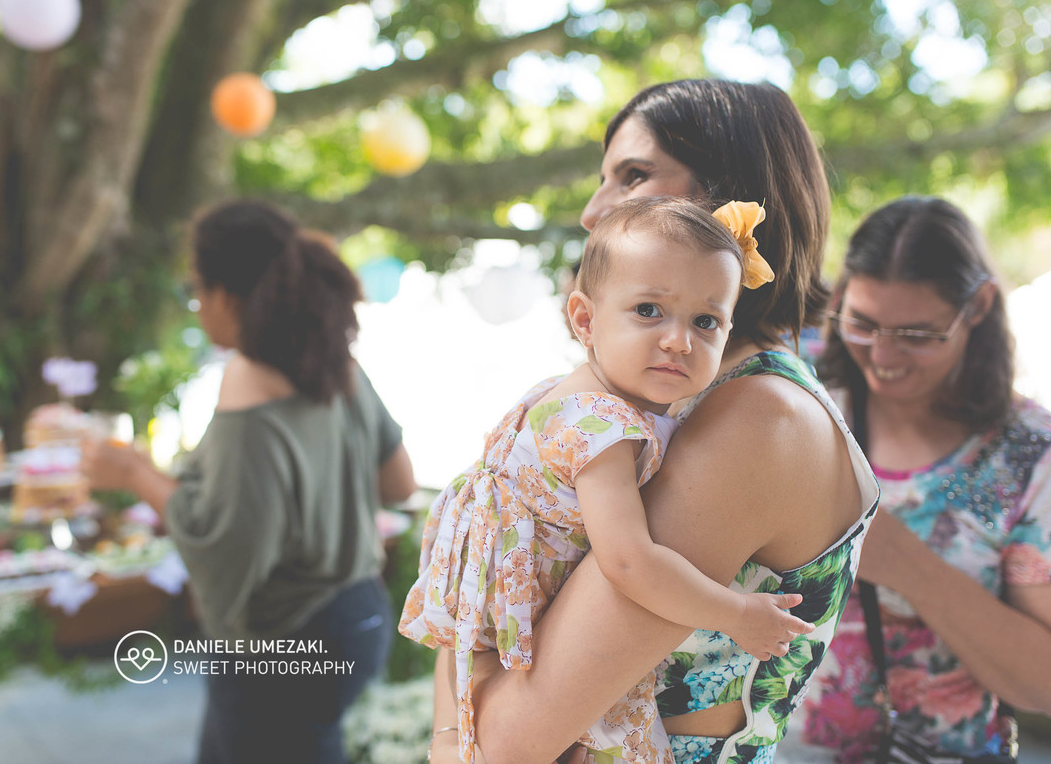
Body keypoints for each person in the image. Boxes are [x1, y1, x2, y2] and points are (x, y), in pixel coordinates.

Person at [425, 79, 879, 764]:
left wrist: (451, 733)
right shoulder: (662, 402)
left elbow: (509, 742)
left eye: (633, 176)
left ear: (728, 201)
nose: (592, 212)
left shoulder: (757, 418)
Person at [401, 197, 816, 764]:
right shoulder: (603, 428)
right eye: (649, 310)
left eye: (706, 321)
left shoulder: (571, 392)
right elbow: (629, 563)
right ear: (584, 320)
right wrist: (736, 614)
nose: (679, 340)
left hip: (497, 620)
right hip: (523, 626)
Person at [80, 199, 417, 764]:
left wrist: (135, 475)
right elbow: (398, 483)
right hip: (360, 613)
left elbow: (226, 543)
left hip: (287, 637)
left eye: (196, 291)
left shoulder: (248, 382)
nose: (196, 307)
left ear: (227, 296)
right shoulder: (337, 364)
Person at [796, 196, 1051, 761]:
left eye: (917, 334)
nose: (884, 355)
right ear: (839, 296)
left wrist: (909, 566)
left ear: (978, 307)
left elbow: (1043, 685)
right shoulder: (796, 389)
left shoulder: (1029, 455)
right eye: (863, 324)